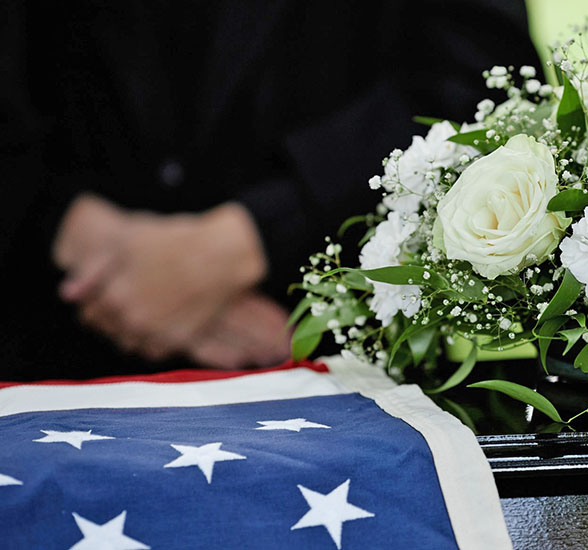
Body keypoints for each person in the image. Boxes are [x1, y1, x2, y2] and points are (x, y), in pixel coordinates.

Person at [0, 1, 541, 380]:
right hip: (44, 339)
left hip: (325, 351)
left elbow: (483, 88)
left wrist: (243, 241)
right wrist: (68, 226)